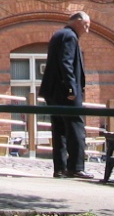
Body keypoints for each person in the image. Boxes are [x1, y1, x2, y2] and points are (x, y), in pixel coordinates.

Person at [39, 11, 93, 179]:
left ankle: (60, 168)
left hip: (52, 90)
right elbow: (66, 62)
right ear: (77, 21)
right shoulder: (70, 36)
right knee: (76, 126)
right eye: (86, 25)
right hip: (65, 91)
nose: (87, 29)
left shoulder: (58, 34)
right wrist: (71, 88)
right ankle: (76, 167)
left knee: (59, 129)